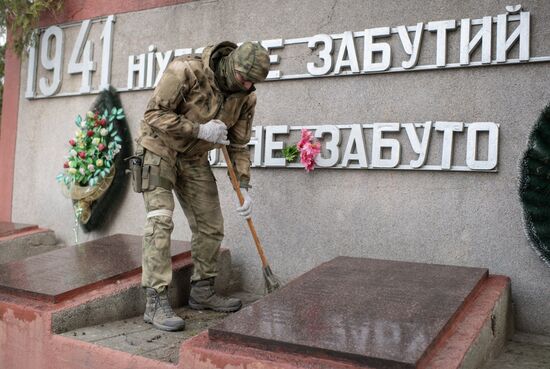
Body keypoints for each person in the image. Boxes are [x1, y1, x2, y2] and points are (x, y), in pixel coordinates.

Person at [133, 41, 270, 332]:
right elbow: (153, 115)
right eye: (244, 77)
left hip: (194, 158)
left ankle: (202, 291)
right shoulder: (186, 70)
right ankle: (155, 300)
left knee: (211, 224)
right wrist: (199, 129)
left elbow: (238, 143)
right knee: (160, 219)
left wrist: (244, 185)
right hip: (158, 149)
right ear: (231, 64)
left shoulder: (246, 96)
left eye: (252, 82)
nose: (246, 85)